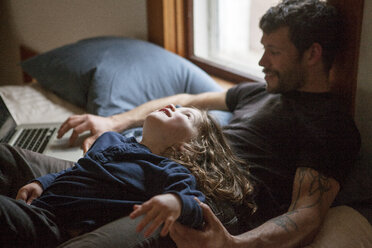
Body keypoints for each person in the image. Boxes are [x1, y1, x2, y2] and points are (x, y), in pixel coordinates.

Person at [54, 0, 361, 247]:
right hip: (149, 170)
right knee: (12, 164)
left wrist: (233, 244)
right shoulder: (260, 91)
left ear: (313, 54)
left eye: (274, 52)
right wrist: (112, 121)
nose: (262, 62)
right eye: (263, 48)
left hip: (208, 203)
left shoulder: (330, 123)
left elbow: (307, 213)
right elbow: (187, 100)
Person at [0, 106, 255, 247]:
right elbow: (78, 172)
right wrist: (42, 182)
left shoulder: (167, 170)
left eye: (185, 114)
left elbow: (196, 203)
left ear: (188, 147)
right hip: (43, 201)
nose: (172, 107)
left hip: (52, 225)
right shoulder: (111, 139)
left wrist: (176, 203)